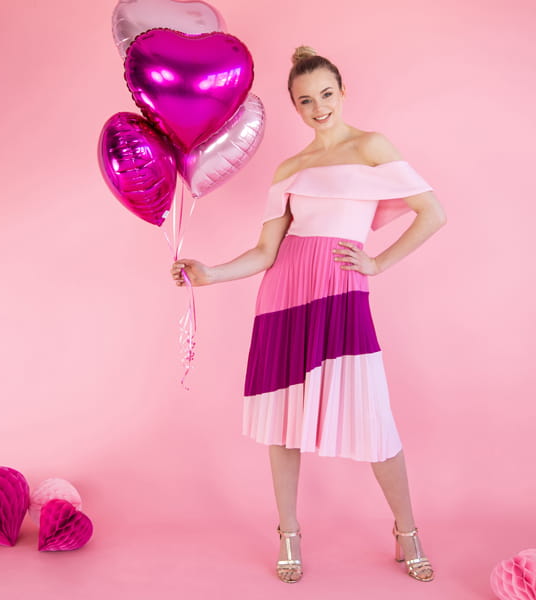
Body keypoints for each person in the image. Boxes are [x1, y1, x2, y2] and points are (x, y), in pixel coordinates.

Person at [170, 45, 447, 583]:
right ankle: (289, 533)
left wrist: (377, 263)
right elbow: (265, 252)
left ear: (342, 92)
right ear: (295, 107)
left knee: (375, 419)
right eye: (306, 101)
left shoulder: (371, 147)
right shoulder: (290, 168)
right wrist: (210, 273)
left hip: (341, 295)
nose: (319, 107)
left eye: (326, 94)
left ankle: (407, 530)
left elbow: (432, 212)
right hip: (284, 295)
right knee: (283, 423)